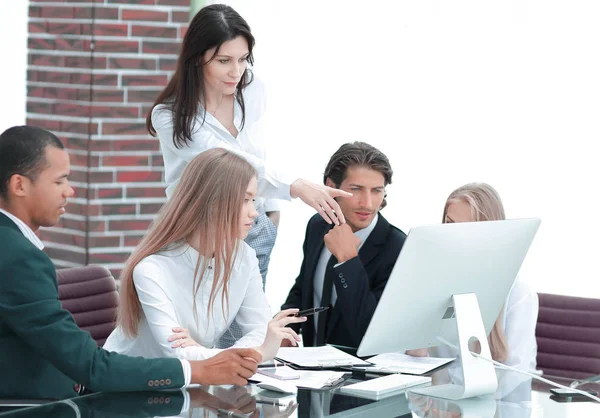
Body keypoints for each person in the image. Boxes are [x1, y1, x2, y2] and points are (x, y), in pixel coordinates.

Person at [0, 126, 262, 400]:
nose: (70, 191)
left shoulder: (15, 247)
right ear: (19, 185)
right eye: (59, 181)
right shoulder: (17, 256)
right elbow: (90, 366)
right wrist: (196, 371)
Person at [147, 4, 351, 285]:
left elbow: (258, 151)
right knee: (201, 324)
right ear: (196, 58)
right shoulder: (169, 116)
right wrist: (296, 185)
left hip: (251, 224)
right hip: (196, 232)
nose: (236, 71)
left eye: (243, 59)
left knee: (252, 325)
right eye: (223, 61)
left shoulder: (254, 88)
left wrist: (268, 217)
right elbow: (227, 162)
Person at [103, 148, 305, 362]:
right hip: (126, 387)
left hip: (188, 384)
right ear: (213, 203)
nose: (254, 213)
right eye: (246, 200)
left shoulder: (244, 256)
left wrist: (203, 351)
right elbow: (178, 356)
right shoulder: (152, 270)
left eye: (253, 201)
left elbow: (260, 332)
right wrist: (259, 352)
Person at [281, 142, 407, 349]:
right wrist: (286, 329)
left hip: (364, 375)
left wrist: (348, 261)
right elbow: (304, 287)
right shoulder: (317, 224)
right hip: (309, 368)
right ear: (331, 186)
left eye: (376, 191)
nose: (367, 203)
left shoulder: (398, 248)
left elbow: (370, 330)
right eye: (356, 189)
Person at [434, 182, 539, 372]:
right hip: (436, 397)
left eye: (468, 228)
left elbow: (516, 372)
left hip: (499, 398)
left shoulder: (517, 291)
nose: (455, 236)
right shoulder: (433, 281)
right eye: (450, 225)